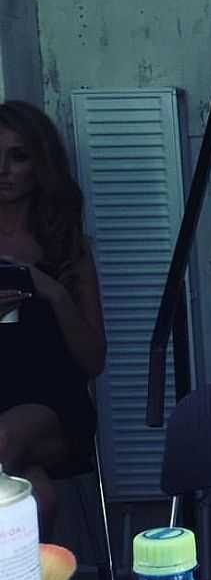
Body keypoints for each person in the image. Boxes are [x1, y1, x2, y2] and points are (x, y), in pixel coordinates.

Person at [0, 100, 106, 530]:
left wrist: (53, 292)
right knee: (35, 498)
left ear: (40, 164)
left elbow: (94, 361)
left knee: (5, 438)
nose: (3, 170)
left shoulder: (65, 247)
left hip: (52, 405)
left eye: (18, 156)